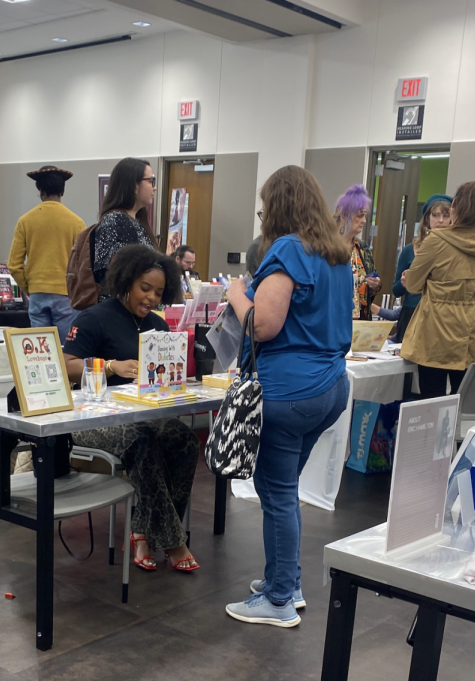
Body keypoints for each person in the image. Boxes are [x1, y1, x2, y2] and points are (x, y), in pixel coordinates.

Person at [223, 166, 353, 628]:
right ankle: (285, 579)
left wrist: (237, 292)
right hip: (330, 387)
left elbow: (263, 324)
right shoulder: (336, 255)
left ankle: (280, 599)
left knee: (276, 492)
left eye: (263, 208)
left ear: (277, 206)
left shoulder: (287, 250)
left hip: (289, 392)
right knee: (281, 489)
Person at [62, 245, 202, 573]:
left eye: (158, 292)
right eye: (145, 288)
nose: (152, 298)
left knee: (186, 442)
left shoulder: (158, 326)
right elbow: (65, 365)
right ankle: (172, 539)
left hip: (143, 413)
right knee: (142, 443)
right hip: (93, 418)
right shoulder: (94, 318)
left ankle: (142, 530)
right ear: (126, 281)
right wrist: (110, 366)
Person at [400, 181, 475, 399]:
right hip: (474, 332)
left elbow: (413, 285)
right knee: (463, 401)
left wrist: (427, 283)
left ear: (454, 208)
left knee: (433, 402)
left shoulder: (437, 240)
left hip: (438, 332)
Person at [9, 166, 86, 339]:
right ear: (63, 191)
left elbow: (13, 265)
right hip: (66, 296)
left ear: (40, 190)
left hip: (37, 294)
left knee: (41, 351)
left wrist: (31, 287)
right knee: (66, 350)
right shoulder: (76, 222)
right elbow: (83, 265)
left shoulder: (25, 221)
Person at [90, 158, 156, 301]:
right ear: (134, 185)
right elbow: (109, 275)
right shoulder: (114, 221)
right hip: (119, 309)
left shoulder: (137, 222)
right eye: (151, 181)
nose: (154, 187)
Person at [392, 194, 450, 343]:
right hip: (411, 313)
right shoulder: (410, 250)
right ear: (427, 219)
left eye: (445, 215)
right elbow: (396, 290)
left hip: (441, 316)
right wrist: (405, 283)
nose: (441, 221)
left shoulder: (455, 252)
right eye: (436, 215)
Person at [335, 184, 379, 321]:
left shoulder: (363, 248)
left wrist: (375, 285)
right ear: (344, 215)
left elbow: (369, 290)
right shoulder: (327, 248)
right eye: (360, 216)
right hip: (334, 320)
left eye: (365, 216)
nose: (364, 221)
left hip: (360, 323)